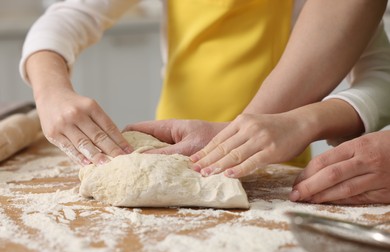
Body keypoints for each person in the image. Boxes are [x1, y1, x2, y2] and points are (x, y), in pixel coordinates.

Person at [21, 0, 387, 170]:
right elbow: (68, 17)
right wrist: (52, 90)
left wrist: (301, 122)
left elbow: (380, 81)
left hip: (273, 169)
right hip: (170, 155)